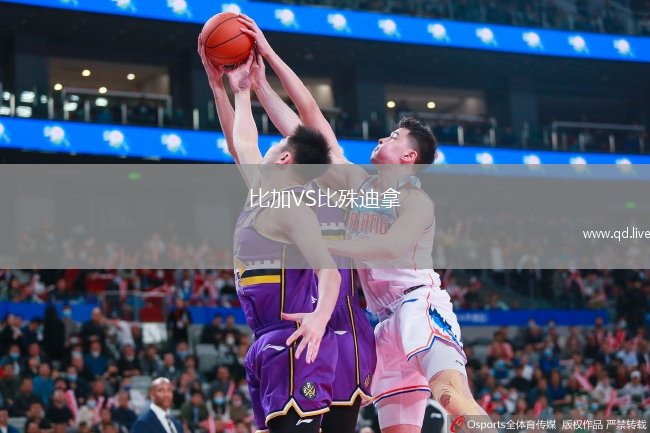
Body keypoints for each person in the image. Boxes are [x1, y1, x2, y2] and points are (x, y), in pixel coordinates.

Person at [235, 13, 492, 433]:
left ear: (409, 157)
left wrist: (322, 246)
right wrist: (263, 74)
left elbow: (389, 247)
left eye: (392, 138)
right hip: (380, 322)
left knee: (451, 396)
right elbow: (307, 120)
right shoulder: (359, 185)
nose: (381, 138)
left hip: (417, 304)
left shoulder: (414, 200)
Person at [227, 17, 377, 433]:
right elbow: (247, 146)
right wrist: (251, 86)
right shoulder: (280, 192)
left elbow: (308, 121)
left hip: (343, 317)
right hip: (299, 318)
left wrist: (268, 59)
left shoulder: (348, 181)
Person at [198, 40, 341, 433]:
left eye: (273, 146)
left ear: (283, 159)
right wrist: (230, 88)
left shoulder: (291, 206)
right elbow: (241, 144)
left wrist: (319, 319)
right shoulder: (263, 195)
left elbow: (329, 271)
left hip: (293, 340)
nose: (261, 150)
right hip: (264, 341)